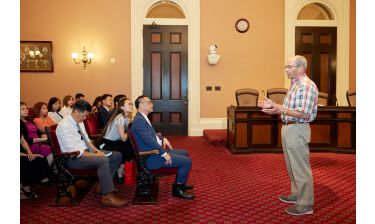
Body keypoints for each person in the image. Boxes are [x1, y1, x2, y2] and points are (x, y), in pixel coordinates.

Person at [259, 55, 318, 216]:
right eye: (286, 67)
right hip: (288, 128)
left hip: (297, 129)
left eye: (289, 67)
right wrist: (273, 107)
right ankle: (296, 194)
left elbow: (304, 113)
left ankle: (306, 204)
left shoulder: (306, 86)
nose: (286, 70)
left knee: (300, 168)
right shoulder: (294, 85)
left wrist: (279, 108)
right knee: (291, 166)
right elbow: (289, 109)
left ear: (301, 68)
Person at [56, 100, 127, 207]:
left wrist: (96, 151)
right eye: (84, 115)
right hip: (73, 158)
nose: (85, 118)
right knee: (103, 160)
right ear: (77, 112)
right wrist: (97, 155)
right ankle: (107, 196)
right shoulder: (64, 126)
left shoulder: (78, 121)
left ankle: (102, 185)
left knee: (117, 155)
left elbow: (87, 140)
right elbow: (75, 152)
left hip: (85, 152)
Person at [131, 95, 195, 200]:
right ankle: (177, 189)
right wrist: (164, 154)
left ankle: (181, 183)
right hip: (151, 157)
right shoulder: (139, 121)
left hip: (153, 151)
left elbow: (151, 135)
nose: (152, 104)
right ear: (141, 105)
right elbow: (149, 140)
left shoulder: (142, 117)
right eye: (149, 102)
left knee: (184, 152)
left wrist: (162, 139)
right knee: (187, 161)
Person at [101, 98, 134, 184]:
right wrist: (132, 128)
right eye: (129, 104)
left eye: (131, 103)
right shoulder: (120, 118)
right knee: (128, 149)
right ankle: (120, 171)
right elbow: (123, 138)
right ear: (122, 107)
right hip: (106, 144)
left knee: (131, 145)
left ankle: (121, 169)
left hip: (115, 142)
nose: (131, 105)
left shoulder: (126, 117)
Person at [20, 102, 54, 167]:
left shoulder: (29, 120)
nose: (26, 110)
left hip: (39, 142)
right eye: (22, 109)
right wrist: (42, 139)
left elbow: (37, 132)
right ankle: (46, 170)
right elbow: (26, 140)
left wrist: (42, 136)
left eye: (26, 108)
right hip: (31, 145)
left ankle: (50, 170)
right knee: (52, 149)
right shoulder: (20, 123)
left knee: (54, 146)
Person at [20, 134, 50, 199]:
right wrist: (26, 155)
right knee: (25, 161)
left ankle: (24, 188)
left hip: (22, 153)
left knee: (40, 159)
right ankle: (25, 189)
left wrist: (29, 152)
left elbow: (23, 141)